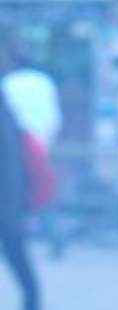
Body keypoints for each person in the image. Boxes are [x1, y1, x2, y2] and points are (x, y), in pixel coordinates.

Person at [0, 45, 41, 310]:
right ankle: (32, 301)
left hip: (6, 194)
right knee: (16, 250)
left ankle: (32, 301)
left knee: (15, 250)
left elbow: (8, 154)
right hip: (11, 194)